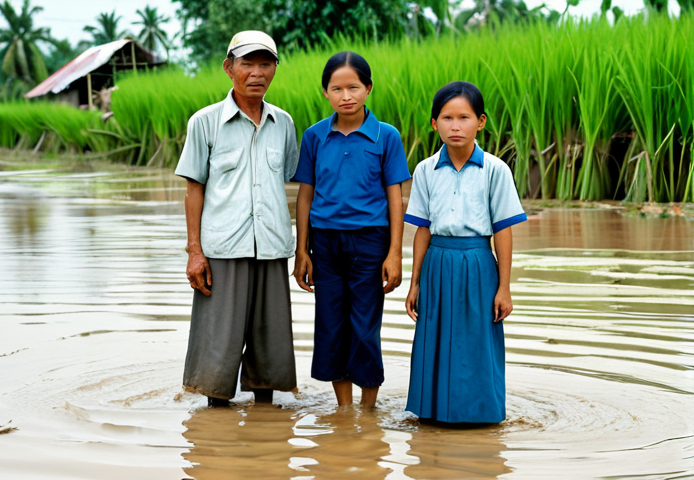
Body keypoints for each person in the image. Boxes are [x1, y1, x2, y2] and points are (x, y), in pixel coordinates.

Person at [174, 31, 299, 407]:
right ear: (229, 68)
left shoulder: (284, 124)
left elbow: (289, 184)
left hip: (272, 247)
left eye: (266, 64)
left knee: (271, 350)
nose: (257, 73)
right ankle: (216, 430)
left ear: (275, 69)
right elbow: (193, 190)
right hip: (222, 250)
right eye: (248, 63)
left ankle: (264, 424)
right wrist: (194, 251)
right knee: (217, 355)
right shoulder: (205, 122)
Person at [293, 51, 411, 408]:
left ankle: (369, 408)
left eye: (354, 87)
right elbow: (304, 196)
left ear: (368, 88)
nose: (346, 96)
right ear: (325, 93)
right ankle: (344, 409)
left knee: (364, 326)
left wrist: (394, 253)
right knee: (331, 324)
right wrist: (302, 251)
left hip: (370, 242)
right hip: (325, 244)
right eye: (336, 89)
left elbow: (395, 198)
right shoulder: (315, 137)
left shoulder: (385, 137)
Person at [404, 81, 527, 423]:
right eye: (446, 118)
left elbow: (503, 230)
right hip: (437, 263)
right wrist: (414, 283)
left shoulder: (495, 170)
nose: (455, 126)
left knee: (477, 341)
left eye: (464, 117)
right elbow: (422, 229)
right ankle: (432, 413)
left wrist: (504, 287)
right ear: (434, 124)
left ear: (481, 122)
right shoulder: (426, 170)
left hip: (478, 262)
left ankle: (481, 414)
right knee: (434, 337)